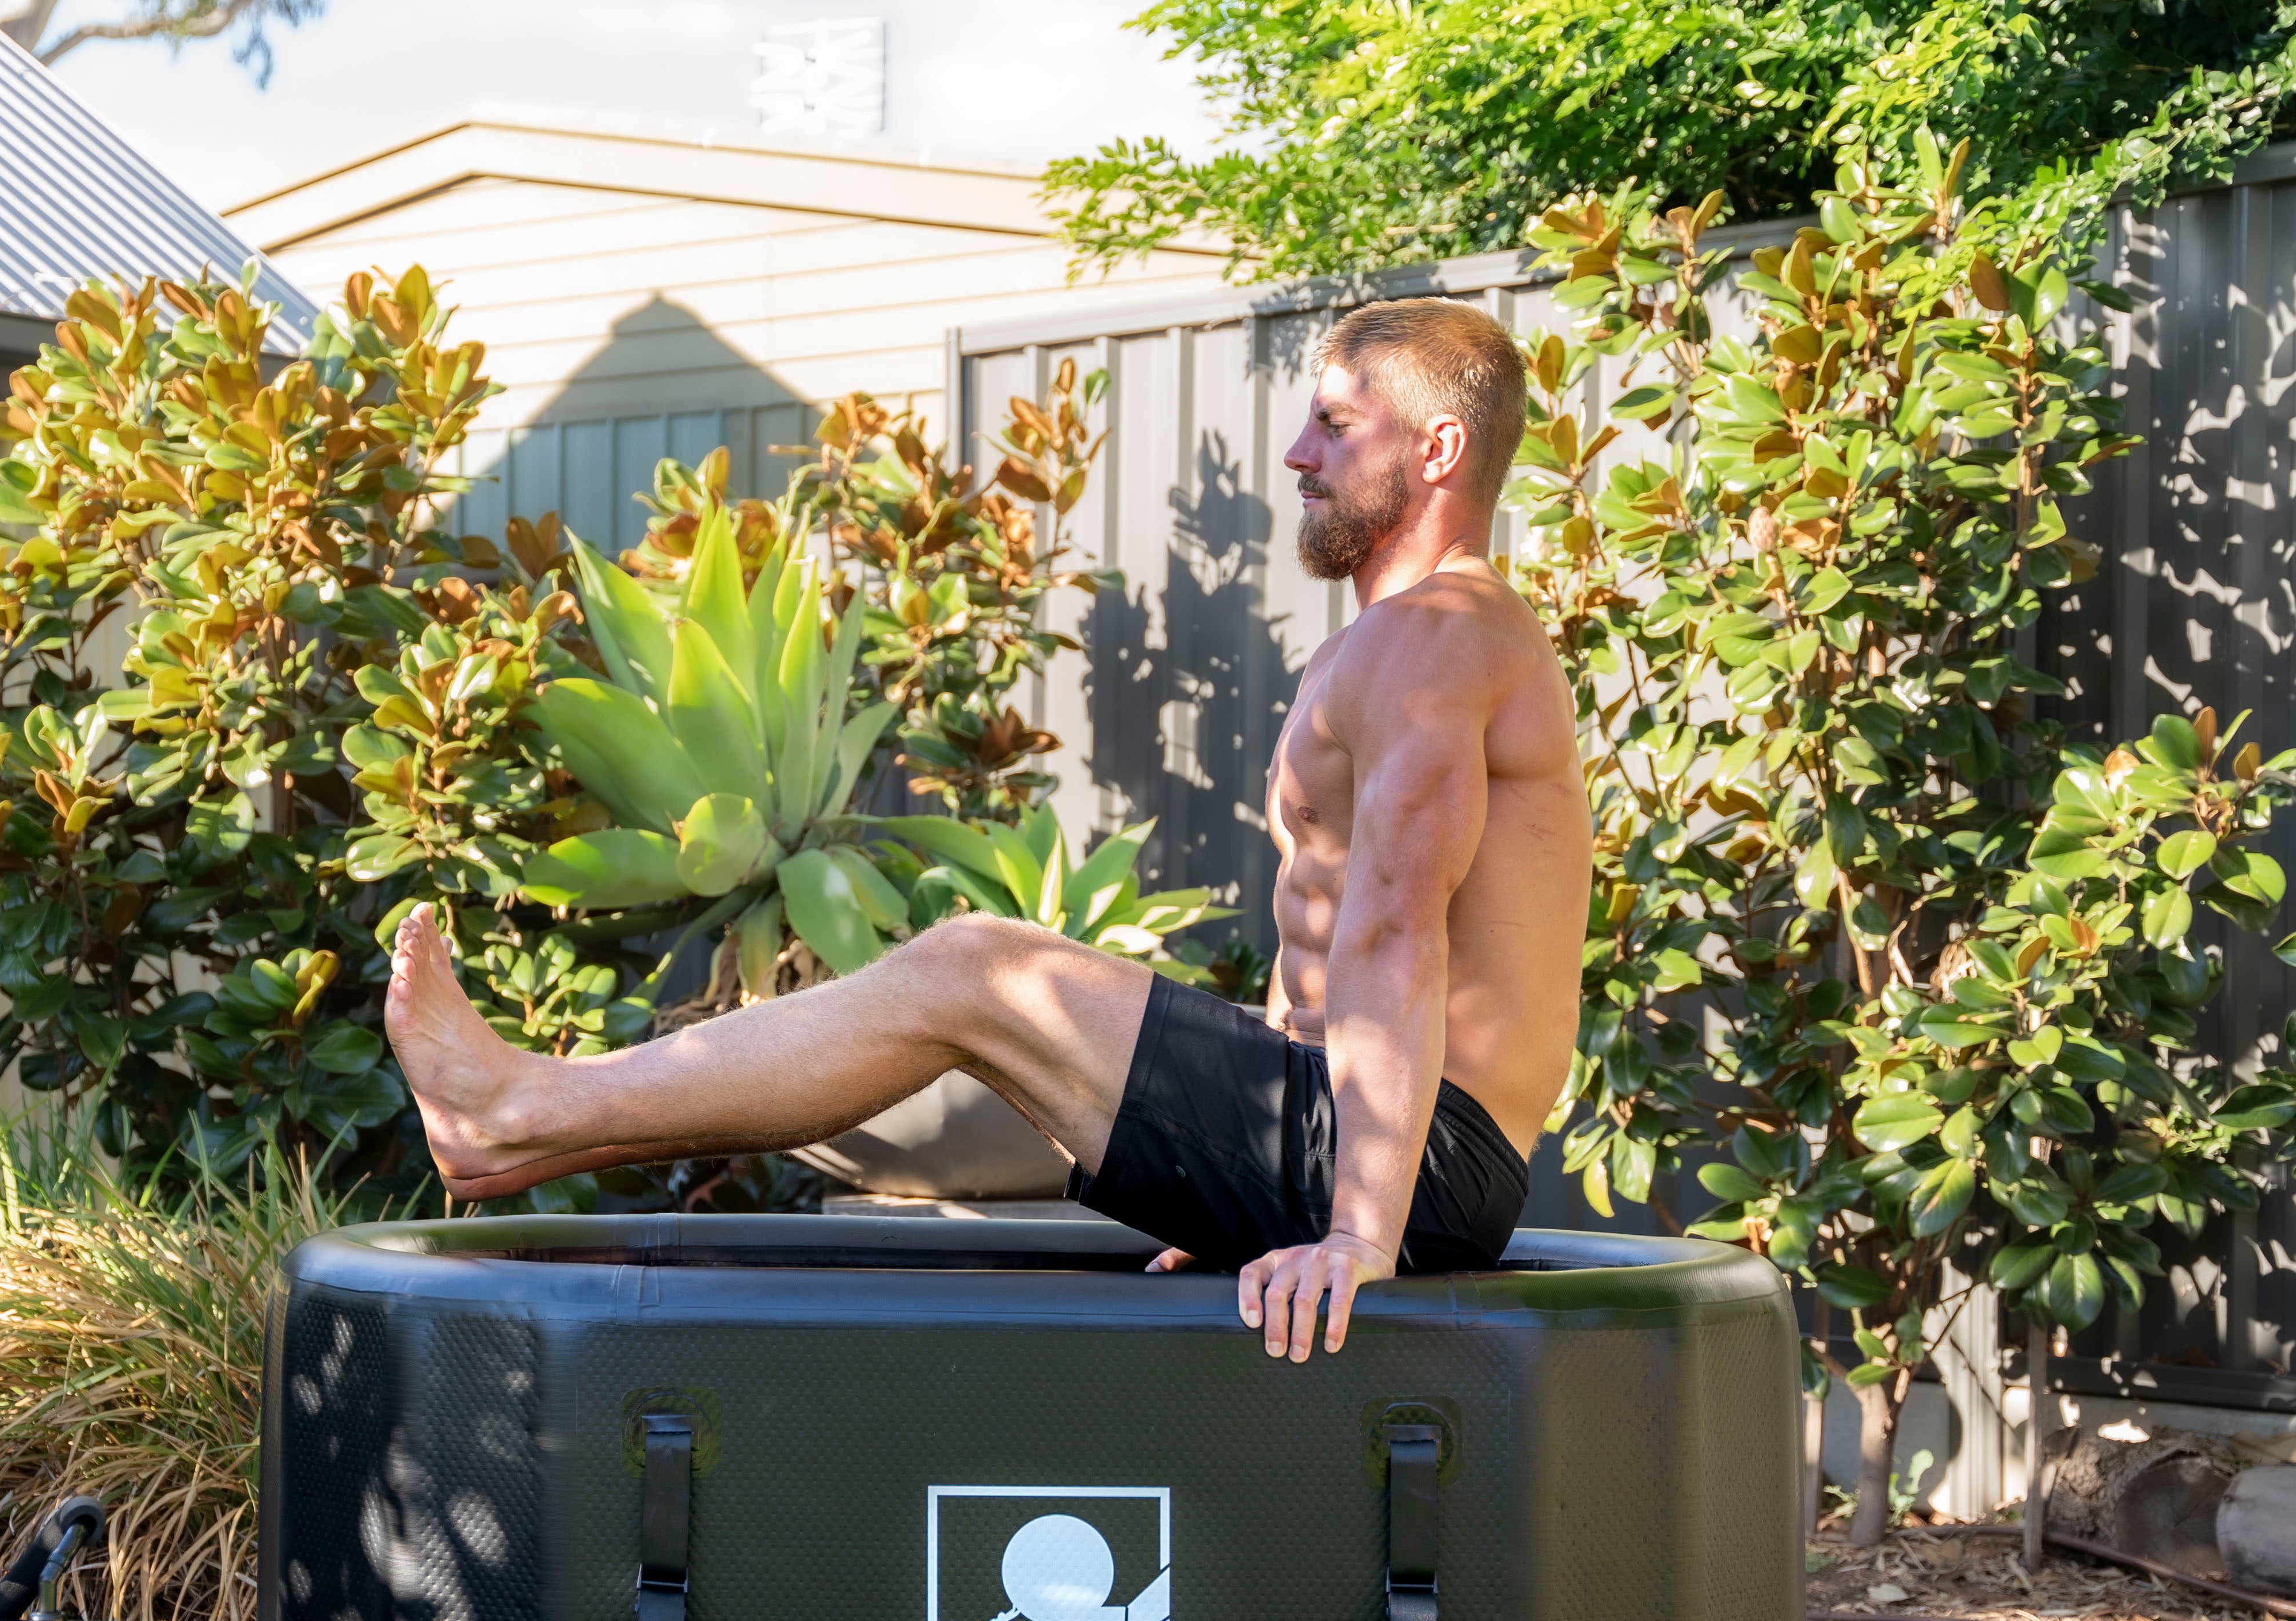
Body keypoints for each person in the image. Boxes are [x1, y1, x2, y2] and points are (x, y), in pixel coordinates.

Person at [380, 297, 1587, 1360]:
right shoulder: (1391, 640)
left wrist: (1353, 1233)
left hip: (1420, 1164)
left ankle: (518, 1109)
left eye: (1332, 424)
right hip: (1350, 1134)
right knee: (982, 980)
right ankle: (518, 1132)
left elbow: (1392, 929)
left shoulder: (1439, 636)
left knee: (981, 969)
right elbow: (1319, 972)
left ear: (1436, 449)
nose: (1295, 453)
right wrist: (1242, 1208)